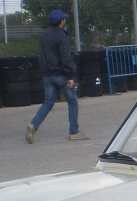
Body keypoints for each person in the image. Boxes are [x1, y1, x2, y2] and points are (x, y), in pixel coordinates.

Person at [26, 9, 88, 144]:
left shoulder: (43, 36)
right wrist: (70, 75)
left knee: (48, 102)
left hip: (47, 75)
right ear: (62, 22)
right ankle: (74, 132)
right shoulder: (62, 36)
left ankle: (33, 125)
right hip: (61, 75)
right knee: (72, 101)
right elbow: (66, 57)